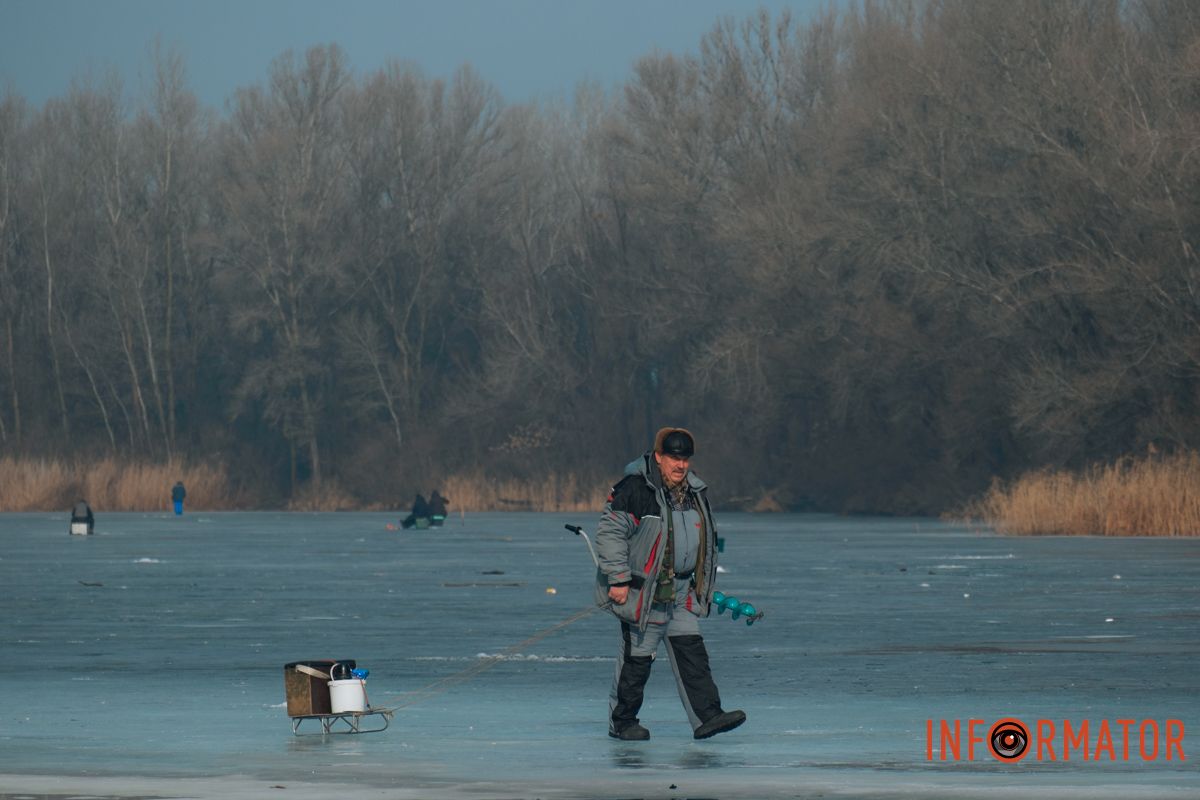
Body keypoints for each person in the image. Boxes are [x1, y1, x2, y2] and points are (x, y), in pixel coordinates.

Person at [593, 427, 746, 741]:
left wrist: (700, 583)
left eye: (685, 459)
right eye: (674, 458)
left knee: (692, 651)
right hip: (643, 592)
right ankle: (622, 722)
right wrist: (619, 578)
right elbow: (610, 534)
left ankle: (708, 716)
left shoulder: (695, 493)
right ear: (658, 457)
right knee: (637, 659)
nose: (681, 465)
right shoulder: (635, 489)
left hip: (680, 592)